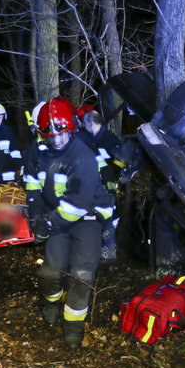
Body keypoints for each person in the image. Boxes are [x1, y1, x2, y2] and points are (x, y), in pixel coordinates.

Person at [23, 97, 113, 349]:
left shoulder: (82, 156)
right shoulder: (36, 152)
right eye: (49, 135)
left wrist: (46, 226)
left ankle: (73, 326)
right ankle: (50, 302)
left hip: (86, 217)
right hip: (56, 216)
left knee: (81, 274)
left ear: (71, 129)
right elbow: (31, 184)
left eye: (61, 134)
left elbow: (76, 205)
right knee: (51, 270)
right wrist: (36, 213)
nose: (56, 140)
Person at [78, 108, 123, 262]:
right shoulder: (93, 140)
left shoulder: (109, 139)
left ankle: (108, 255)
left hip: (108, 185)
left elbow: (121, 162)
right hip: (100, 186)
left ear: (91, 122)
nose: (83, 126)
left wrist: (112, 175)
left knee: (108, 221)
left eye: (85, 123)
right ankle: (105, 254)